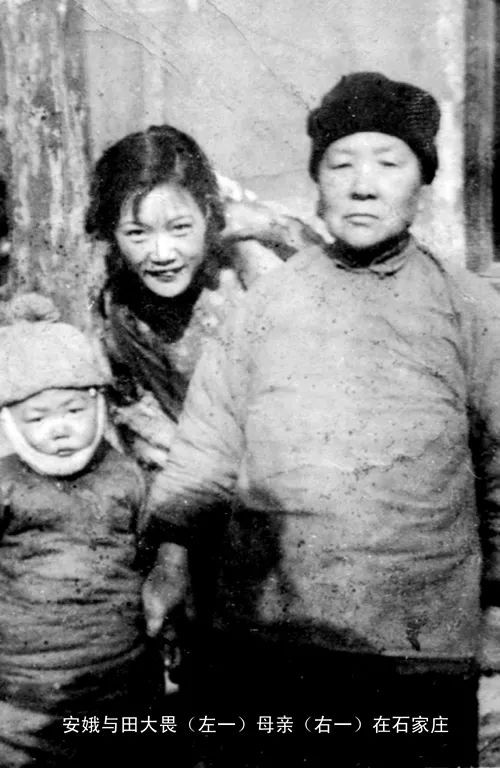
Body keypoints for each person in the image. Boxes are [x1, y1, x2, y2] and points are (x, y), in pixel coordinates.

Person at [140, 73, 500, 767]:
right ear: (317, 183)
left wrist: (497, 608)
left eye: (389, 163)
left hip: (418, 643)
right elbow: (209, 444)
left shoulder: (471, 310)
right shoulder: (266, 304)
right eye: (341, 165)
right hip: (272, 633)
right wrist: (173, 560)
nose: (363, 186)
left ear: (422, 182)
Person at [85, 124, 321, 472]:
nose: (162, 253)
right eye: (137, 233)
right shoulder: (121, 309)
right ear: (112, 234)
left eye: (180, 228)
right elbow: (138, 411)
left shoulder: (251, 271)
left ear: (208, 215)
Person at [0, 295, 164, 767]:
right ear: (10, 421)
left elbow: (152, 559)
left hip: (121, 676)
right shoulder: (5, 484)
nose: (59, 429)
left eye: (72, 411)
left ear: (98, 404)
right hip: (25, 688)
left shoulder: (127, 476)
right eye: (38, 418)